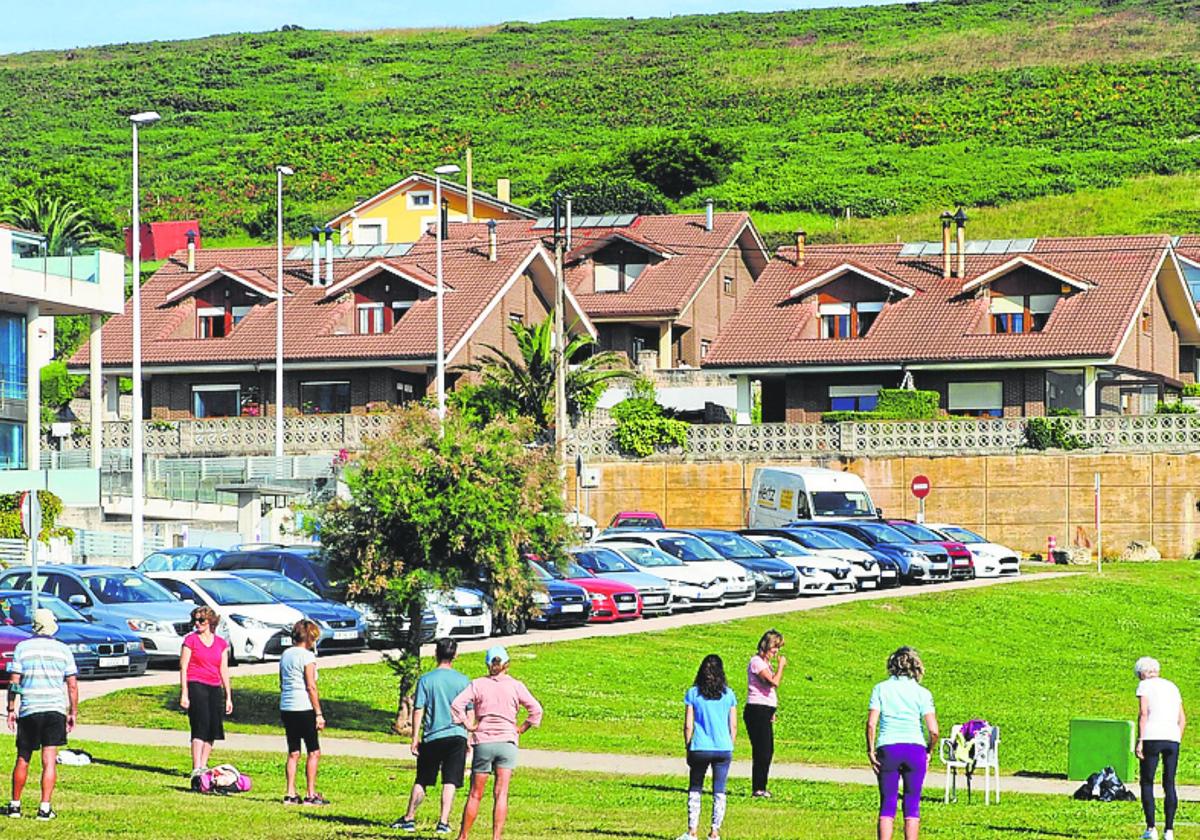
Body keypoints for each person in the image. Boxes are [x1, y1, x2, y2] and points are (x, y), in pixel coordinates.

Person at [450, 646, 543, 840]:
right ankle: (496, 837)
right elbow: (536, 710)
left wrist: (468, 724)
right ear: (507, 664)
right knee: (501, 794)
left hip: (484, 741)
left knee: (476, 793)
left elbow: (456, 705)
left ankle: (463, 835)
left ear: (487, 664)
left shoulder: (478, 684)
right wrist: (522, 728)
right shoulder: (516, 686)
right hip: (507, 742)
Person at [392, 638, 471, 834]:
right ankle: (443, 822)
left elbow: (418, 709)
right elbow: (470, 711)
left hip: (433, 736)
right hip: (457, 735)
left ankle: (409, 818)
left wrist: (414, 738)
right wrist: (469, 737)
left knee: (423, 779)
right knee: (450, 781)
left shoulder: (426, 680)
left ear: (436, 654)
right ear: (455, 655)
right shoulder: (464, 681)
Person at [5, 608, 78, 821]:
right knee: (49, 760)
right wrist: (72, 711)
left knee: (23, 757)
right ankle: (44, 808)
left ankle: (15, 805)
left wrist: (11, 708)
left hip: (29, 708)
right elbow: (72, 685)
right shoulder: (63, 650)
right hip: (54, 709)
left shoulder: (22, 648)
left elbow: (14, 683)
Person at [866, 646, 939, 840]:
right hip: (915, 748)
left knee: (887, 804)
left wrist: (871, 751)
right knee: (912, 804)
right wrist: (929, 750)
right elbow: (934, 730)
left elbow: (872, 723)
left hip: (888, 747)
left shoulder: (880, 688)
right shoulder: (923, 693)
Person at [679, 654, 737, 840]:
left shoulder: (693, 694)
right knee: (719, 790)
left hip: (700, 747)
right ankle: (714, 831)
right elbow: (733, 726)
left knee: (695, 788)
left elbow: (688, 725)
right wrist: (730, 745)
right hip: (723, 747)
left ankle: (692, 831)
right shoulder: (729, 695)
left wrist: (688, 747)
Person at [1134, 656, 1185, 840]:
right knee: (1169, 783)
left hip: (1152, 736)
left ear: (1141, 673)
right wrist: (1176, 736)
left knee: (1147, 781)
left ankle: (1151, 828)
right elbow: (1182, 718)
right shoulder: (1172, 686)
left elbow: (1143, 713)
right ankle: (1169, 830)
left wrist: (1140, 740)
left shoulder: (1145, 686)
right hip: (1172, 737)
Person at [178, 605, 232, 775]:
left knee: (213, 727)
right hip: (196, 684)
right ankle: (196, 767)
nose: (198, 624)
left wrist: (228, 696)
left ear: (210, 621)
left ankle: (204, 764)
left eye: (201, 620)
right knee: (200, 725)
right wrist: (184, 693)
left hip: (214, 686)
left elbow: (223, 669)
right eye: (195, 620)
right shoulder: (190, 640)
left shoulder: (220, 643)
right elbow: (183, 667)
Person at [279, 619, 327, 806]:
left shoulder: (286, 655)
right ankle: (310, 793)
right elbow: (311, 686)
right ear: (310, 638)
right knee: (313, 751)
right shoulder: (307, 657)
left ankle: (290, 793)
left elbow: (282, 682)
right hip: (304, 707)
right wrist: (318, 713)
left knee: (293, 751)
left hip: (287, 706)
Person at [745, 629, 786, 798]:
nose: (776, 652)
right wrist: (781, 666)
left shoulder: (765, 663)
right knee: (763, 750)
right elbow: (773, 682)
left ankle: (761, 785)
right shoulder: (757, 662)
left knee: (767, 750)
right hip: (757, 710)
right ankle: (758, 787)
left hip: (765, 710)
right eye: (774, 648)